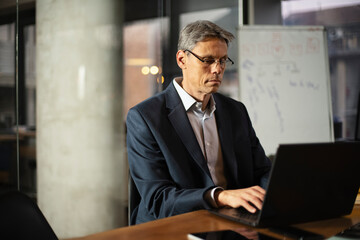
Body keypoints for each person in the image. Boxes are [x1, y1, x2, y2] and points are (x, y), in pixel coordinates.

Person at [126, 20, 272, 225]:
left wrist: (273, 197)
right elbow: (158, 199)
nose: (217, 69)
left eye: (222, 60)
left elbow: (262, 171)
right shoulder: (144, 118)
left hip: (231, 223)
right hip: (170, 227)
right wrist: (220, 196)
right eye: (207, 60)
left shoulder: (235, 111)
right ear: (181, 59)